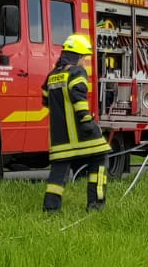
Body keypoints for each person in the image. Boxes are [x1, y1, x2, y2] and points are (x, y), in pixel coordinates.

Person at [42, 33, 109, 213]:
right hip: (82, 135)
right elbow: (79, 98)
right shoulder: (77, 73)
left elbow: (45, 101)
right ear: (78, 56)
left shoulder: (52, 76)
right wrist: (87, 121)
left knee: (57, 174)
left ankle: (51, 210)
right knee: (100, 159)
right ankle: (96, 205)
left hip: (60, 140)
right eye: (84, 58)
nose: (84, 62)